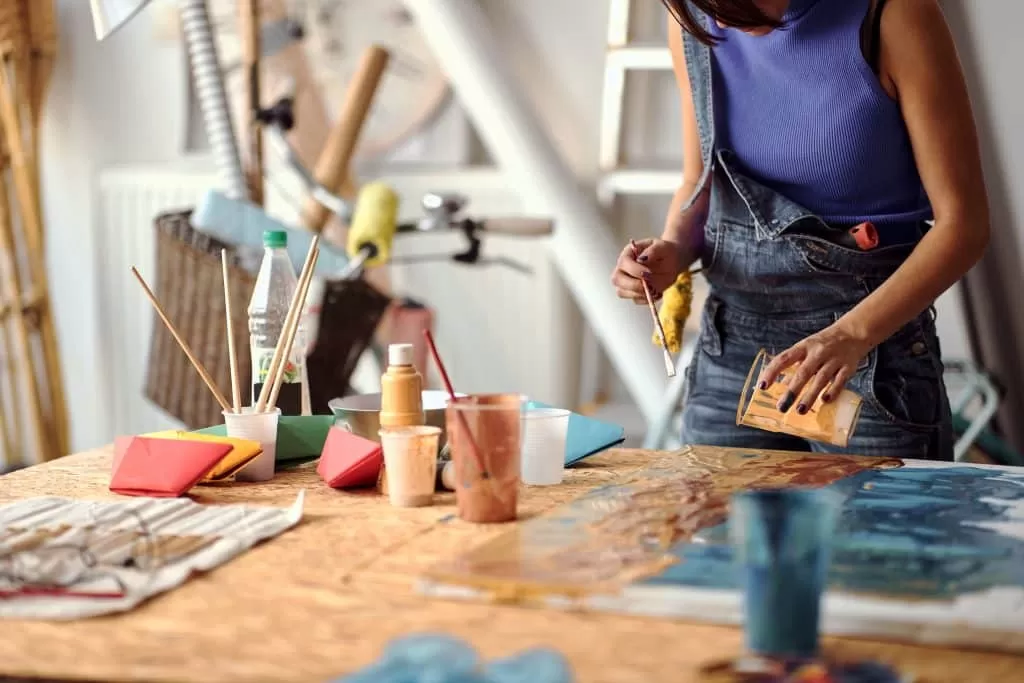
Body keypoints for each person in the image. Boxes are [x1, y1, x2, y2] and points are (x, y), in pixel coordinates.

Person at [611, 0, 989, 460]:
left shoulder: (892, 16)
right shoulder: (697, 20)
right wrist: (671, 249)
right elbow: (700, 182)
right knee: (722, 531)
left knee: (869, 532)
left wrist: (850, 336)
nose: (721, 20)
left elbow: (963, 227)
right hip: (733, 349)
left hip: (866, 356)